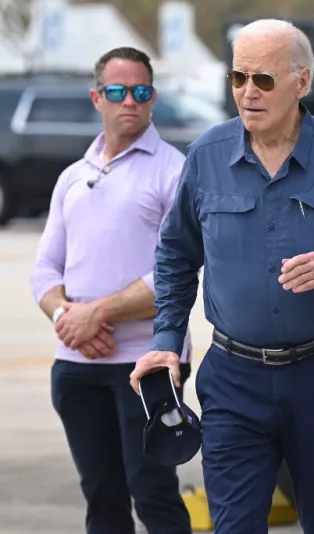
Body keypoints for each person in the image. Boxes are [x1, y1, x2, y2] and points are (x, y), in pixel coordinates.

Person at [127, 19, 314, 534]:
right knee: (234, 525)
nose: (248, 92)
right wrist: (167, 340)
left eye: (263, 79)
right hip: (232, 378)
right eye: (239, 78)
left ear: (302, 82)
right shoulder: (207, 155)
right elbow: (176, 256)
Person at [29, 47, 193, 534]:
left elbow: (176, 272)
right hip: (77, 365)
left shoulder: (174, 171)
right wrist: (66, 318)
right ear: (96, 96)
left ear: (153, 98)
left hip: (147, 364)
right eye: (118, 92)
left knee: (154, 494)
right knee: (101, 499)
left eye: (141, 92)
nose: (130, 102)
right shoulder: (73, 177)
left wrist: (95, 314)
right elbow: (44, 269)